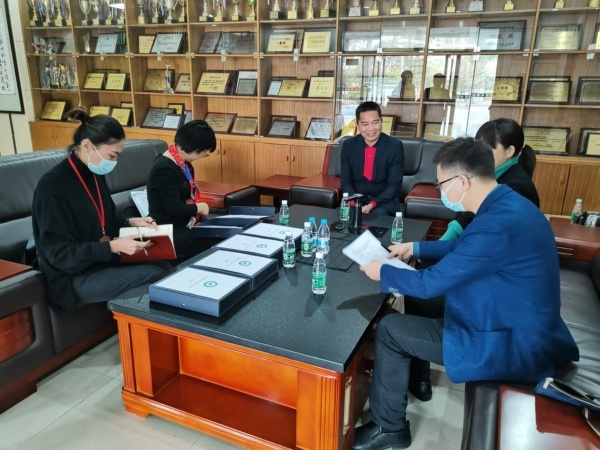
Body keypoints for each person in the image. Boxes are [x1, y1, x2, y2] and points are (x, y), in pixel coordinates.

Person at [353, 138, 578, 450]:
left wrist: (383, 271)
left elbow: (429, 283)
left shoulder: (497, 224)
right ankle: (418, 379)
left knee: (391, 330)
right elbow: (463, 246)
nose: (441, 192)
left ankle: (388, 429)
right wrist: (414, 248)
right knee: (417, 300)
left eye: (441, 185)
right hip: (508, 312)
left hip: (511, 341)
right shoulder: (506, 202)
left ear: (462, 181)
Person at [32, 110, 169, 315]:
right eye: (112, 155)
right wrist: (112, 246)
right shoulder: (52, 187)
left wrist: (132, 222)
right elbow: (60, 255)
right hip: (72, 277)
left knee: (165, 264)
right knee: (153, 275)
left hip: (101, 262)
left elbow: (107, 219)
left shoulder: (95, 173)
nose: (114, 162)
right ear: (87, 145)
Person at [442, 118, 540, 240]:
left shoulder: (518, 188)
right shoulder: (489, 174)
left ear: (509, 151)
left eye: (486, 149)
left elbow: (490, 232)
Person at [146, 120, 216, 263]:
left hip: (184, 223)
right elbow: (173, 209)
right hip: (168, 229)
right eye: (204, 150)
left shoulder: (182, 163)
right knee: (215, 240)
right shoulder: (164, 168)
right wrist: (199, 207)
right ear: (193, 145)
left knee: (220, 232)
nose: (205, 154)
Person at [340, 101, 404, 216]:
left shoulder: (395, 146)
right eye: (365, 124)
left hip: (383, 202)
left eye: (375, 122)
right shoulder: (348, 146)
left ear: (381, 121)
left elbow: (394, 185)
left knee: (376, 217)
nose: (371, 129)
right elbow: (346, 181)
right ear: (358, 125)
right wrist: (355, 203)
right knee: (345, 219)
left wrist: (372, 204)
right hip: (355, 200)